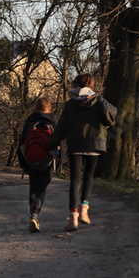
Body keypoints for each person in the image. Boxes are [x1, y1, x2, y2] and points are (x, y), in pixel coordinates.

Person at [49, 73, 117, 231]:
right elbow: (111, 117)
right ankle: (84, 210)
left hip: (75, 146)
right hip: (95, 144)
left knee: (75, 180)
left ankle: (73, 218)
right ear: (92, 86)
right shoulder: (98, 101)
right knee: (89, 177)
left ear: (76, 85)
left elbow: (62, 127)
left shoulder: (70, 105)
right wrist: (99, 98)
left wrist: (53, 143)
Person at [17, 96, 60, 232]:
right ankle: (35, 215)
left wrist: (23, 164)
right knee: (41, 189)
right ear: (50, 110)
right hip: (47, 162)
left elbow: (22, 145)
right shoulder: (53, 123)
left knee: (33, 188)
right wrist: (58, 165)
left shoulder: (29, 122)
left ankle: (33, 214)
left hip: (31, 161)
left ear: (34, 109)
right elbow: (60, 146)